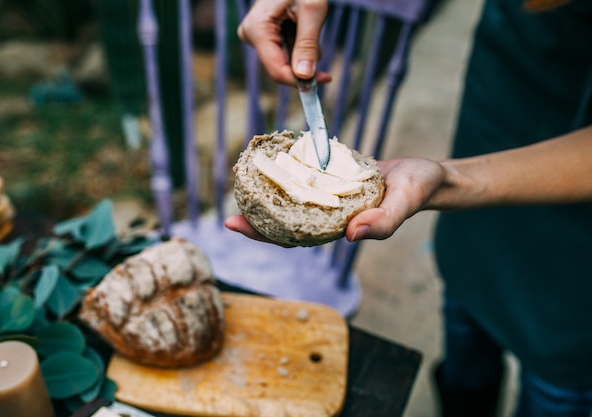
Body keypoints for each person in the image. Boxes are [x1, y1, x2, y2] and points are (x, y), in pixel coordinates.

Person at [227, 0, 592, 416]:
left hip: (578, 255)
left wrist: (453, 180)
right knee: (466, 336)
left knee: (556, 383)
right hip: (507, 86)